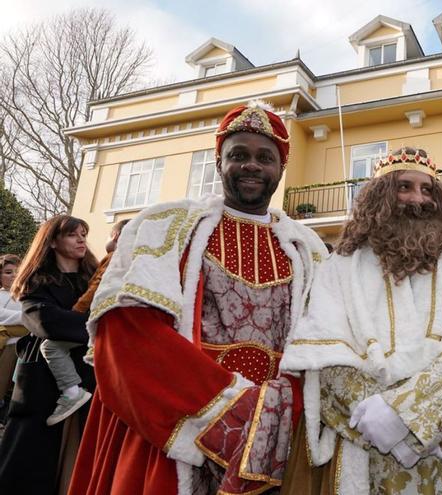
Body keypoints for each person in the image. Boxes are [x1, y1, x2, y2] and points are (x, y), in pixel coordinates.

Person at [68, 101, 327, 495]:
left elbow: (323, 340)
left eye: (265, 157)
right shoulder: (166, 226)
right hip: (174, 425)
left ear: (281, 167)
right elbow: (126, 331)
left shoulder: (308, 248)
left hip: (276, 431)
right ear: (219, 162)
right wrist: (224, 409)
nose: (252, 166)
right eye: (238, 155)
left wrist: (275, 409)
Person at [281, 147, 442, 495]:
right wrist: (378, 419)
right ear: (379, 197)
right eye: (404, 187)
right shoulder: (341, 265)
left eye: (427, 189)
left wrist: (412, 416)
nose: (418, 199)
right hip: (362, 439)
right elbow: (322, 356)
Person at [0, 215, 98, 494]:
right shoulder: (34, 281)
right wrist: (93, 326)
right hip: (42, 382)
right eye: (72, 235)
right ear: (53, 241)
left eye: (83, 234)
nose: (81, 239)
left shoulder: (96, 279)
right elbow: (44, 322)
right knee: (32, 462)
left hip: (90, 375)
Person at [0, 254, 25, 416]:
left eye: (18, 271)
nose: (14, 275)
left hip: (23, 347)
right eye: (8, 272)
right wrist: (25, 318)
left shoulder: (27, 295)